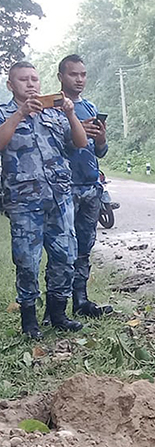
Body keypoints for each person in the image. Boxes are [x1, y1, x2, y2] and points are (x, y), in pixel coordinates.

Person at [0, 62, 89, 338]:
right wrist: (20, 114)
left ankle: (58, 313)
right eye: (23, 80)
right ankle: (29, 321)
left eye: (35, 79)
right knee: (27, 261)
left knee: (65, 256)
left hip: (59, 197)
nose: (31, 84)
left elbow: (80, 142)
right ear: (10, 86)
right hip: (24, 201)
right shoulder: (4, 114)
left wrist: (71, 115)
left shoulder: (53, 112)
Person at [56, 54, 112, 317]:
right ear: (61, 77)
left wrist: (100, 138)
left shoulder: (90, 107)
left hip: (91, 186)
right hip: (65, 187)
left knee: (84, 247)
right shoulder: (52, 107)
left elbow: (100, 151)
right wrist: (73, 133)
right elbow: (48, 149)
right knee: (62, 249)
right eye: (73, 74)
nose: (79, 79)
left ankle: (81, 301)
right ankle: (56, 308)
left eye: (83, 74)